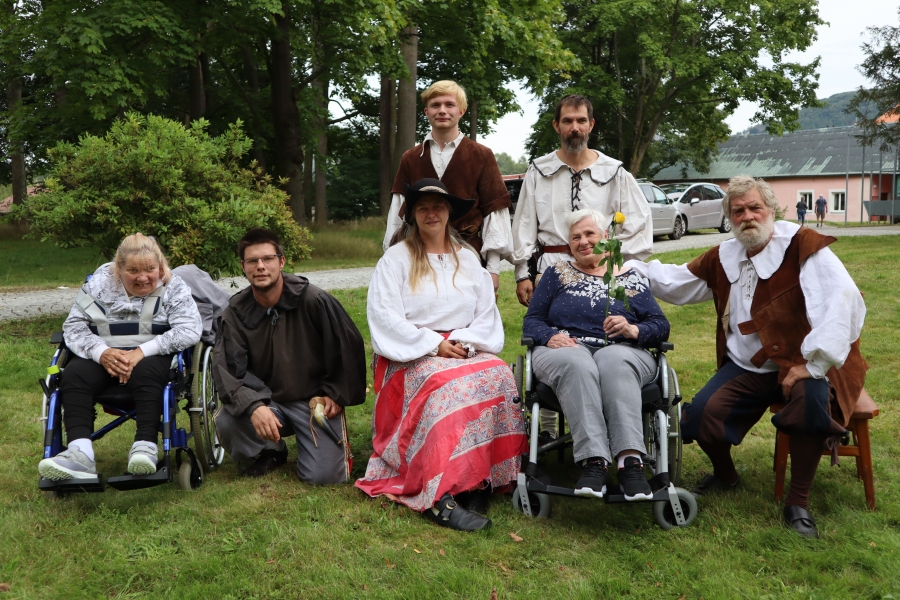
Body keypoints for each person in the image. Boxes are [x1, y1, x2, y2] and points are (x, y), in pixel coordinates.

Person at [627, 175, 867, 538]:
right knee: (700, 415)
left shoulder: (802, 246)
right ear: (730, 218)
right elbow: (677, 282)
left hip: (803, 364)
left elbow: (844, 300)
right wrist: (632, 269)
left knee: (810, 404)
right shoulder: (724, 255)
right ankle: (726, 476)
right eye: (738, 211)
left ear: (771, 209)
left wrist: (814, 364)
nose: (747, 217)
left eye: (755, 207)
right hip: (747, 366)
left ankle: (798, 503)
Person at [358, 178, 527, 532]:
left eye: (437, 207)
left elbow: (486, 313)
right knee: (446, 387)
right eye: (423, 208)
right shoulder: (396, 259)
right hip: (410, 352)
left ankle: (478, 479)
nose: (431, 213)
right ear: (413, 215)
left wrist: (464, 342)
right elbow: (384, 315)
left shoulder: (468, 258)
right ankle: (438, 493)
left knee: (499, 374)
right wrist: (433, 344)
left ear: (449, 212)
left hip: (463, 345)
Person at [509, 93, 653, 440]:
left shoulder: (614, 172)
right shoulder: (539, 170)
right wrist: (523, 273)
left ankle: (611, 415)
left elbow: (639, 225)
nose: (574, 127)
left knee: (602, 336)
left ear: (591, 125)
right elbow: (524, 224)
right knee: (552, 338)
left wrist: (607, 259)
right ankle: (547, 428)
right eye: (568, 121)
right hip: (550, 266)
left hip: (600, 267)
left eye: (581, 121)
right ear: (557, 126)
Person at [523, 209, 670, 501]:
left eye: (589, 234)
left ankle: (630, 462)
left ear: (605, 236)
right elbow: (532, 321)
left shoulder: (629, 278)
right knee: (577, 362)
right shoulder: (556, 274)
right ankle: (594, 461)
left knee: (612, 361)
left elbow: (660, 325)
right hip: (565, 348)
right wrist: (550, 336)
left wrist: (632, 329)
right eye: (575, 237)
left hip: (622, 350)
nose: (583, 241)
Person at [38, 233, 203, 480]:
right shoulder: (98, 285)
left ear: (160, 266)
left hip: (153, 355)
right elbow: (73, 326)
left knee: (147, 371)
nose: (143, 277)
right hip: (104, 354)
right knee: (74, 374)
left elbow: (189, 329)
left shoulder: (174, 286)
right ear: (118, 269)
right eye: (133, 270)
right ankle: (80, 455)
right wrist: (102, 353)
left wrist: (141, 352)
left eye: (150, 269)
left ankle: (145, 447)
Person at [212, 228, 367, 483]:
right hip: (266, 401)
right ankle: (269, 450)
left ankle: (325, 449)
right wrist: (254, 406)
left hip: (313, 401)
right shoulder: (234, 313)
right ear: (243, 266)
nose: (260, 266)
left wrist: (335, 393)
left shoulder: (314, 300)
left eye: (268, 259)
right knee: (229, 419)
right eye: (252, 261)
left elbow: (347, 346)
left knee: (325, 478)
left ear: (281, 261)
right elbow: (227, 370)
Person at [383, 80, 512, 293]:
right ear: (426, 112)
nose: (442, 110)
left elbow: (494, 213)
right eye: (436, 105)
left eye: (449, 104)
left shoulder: (481, 155)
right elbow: (398, 214)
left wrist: (493, 269)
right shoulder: (411, 158)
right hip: (419, 256)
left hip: (469, 255)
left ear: (461, 111)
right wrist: (393, 257)